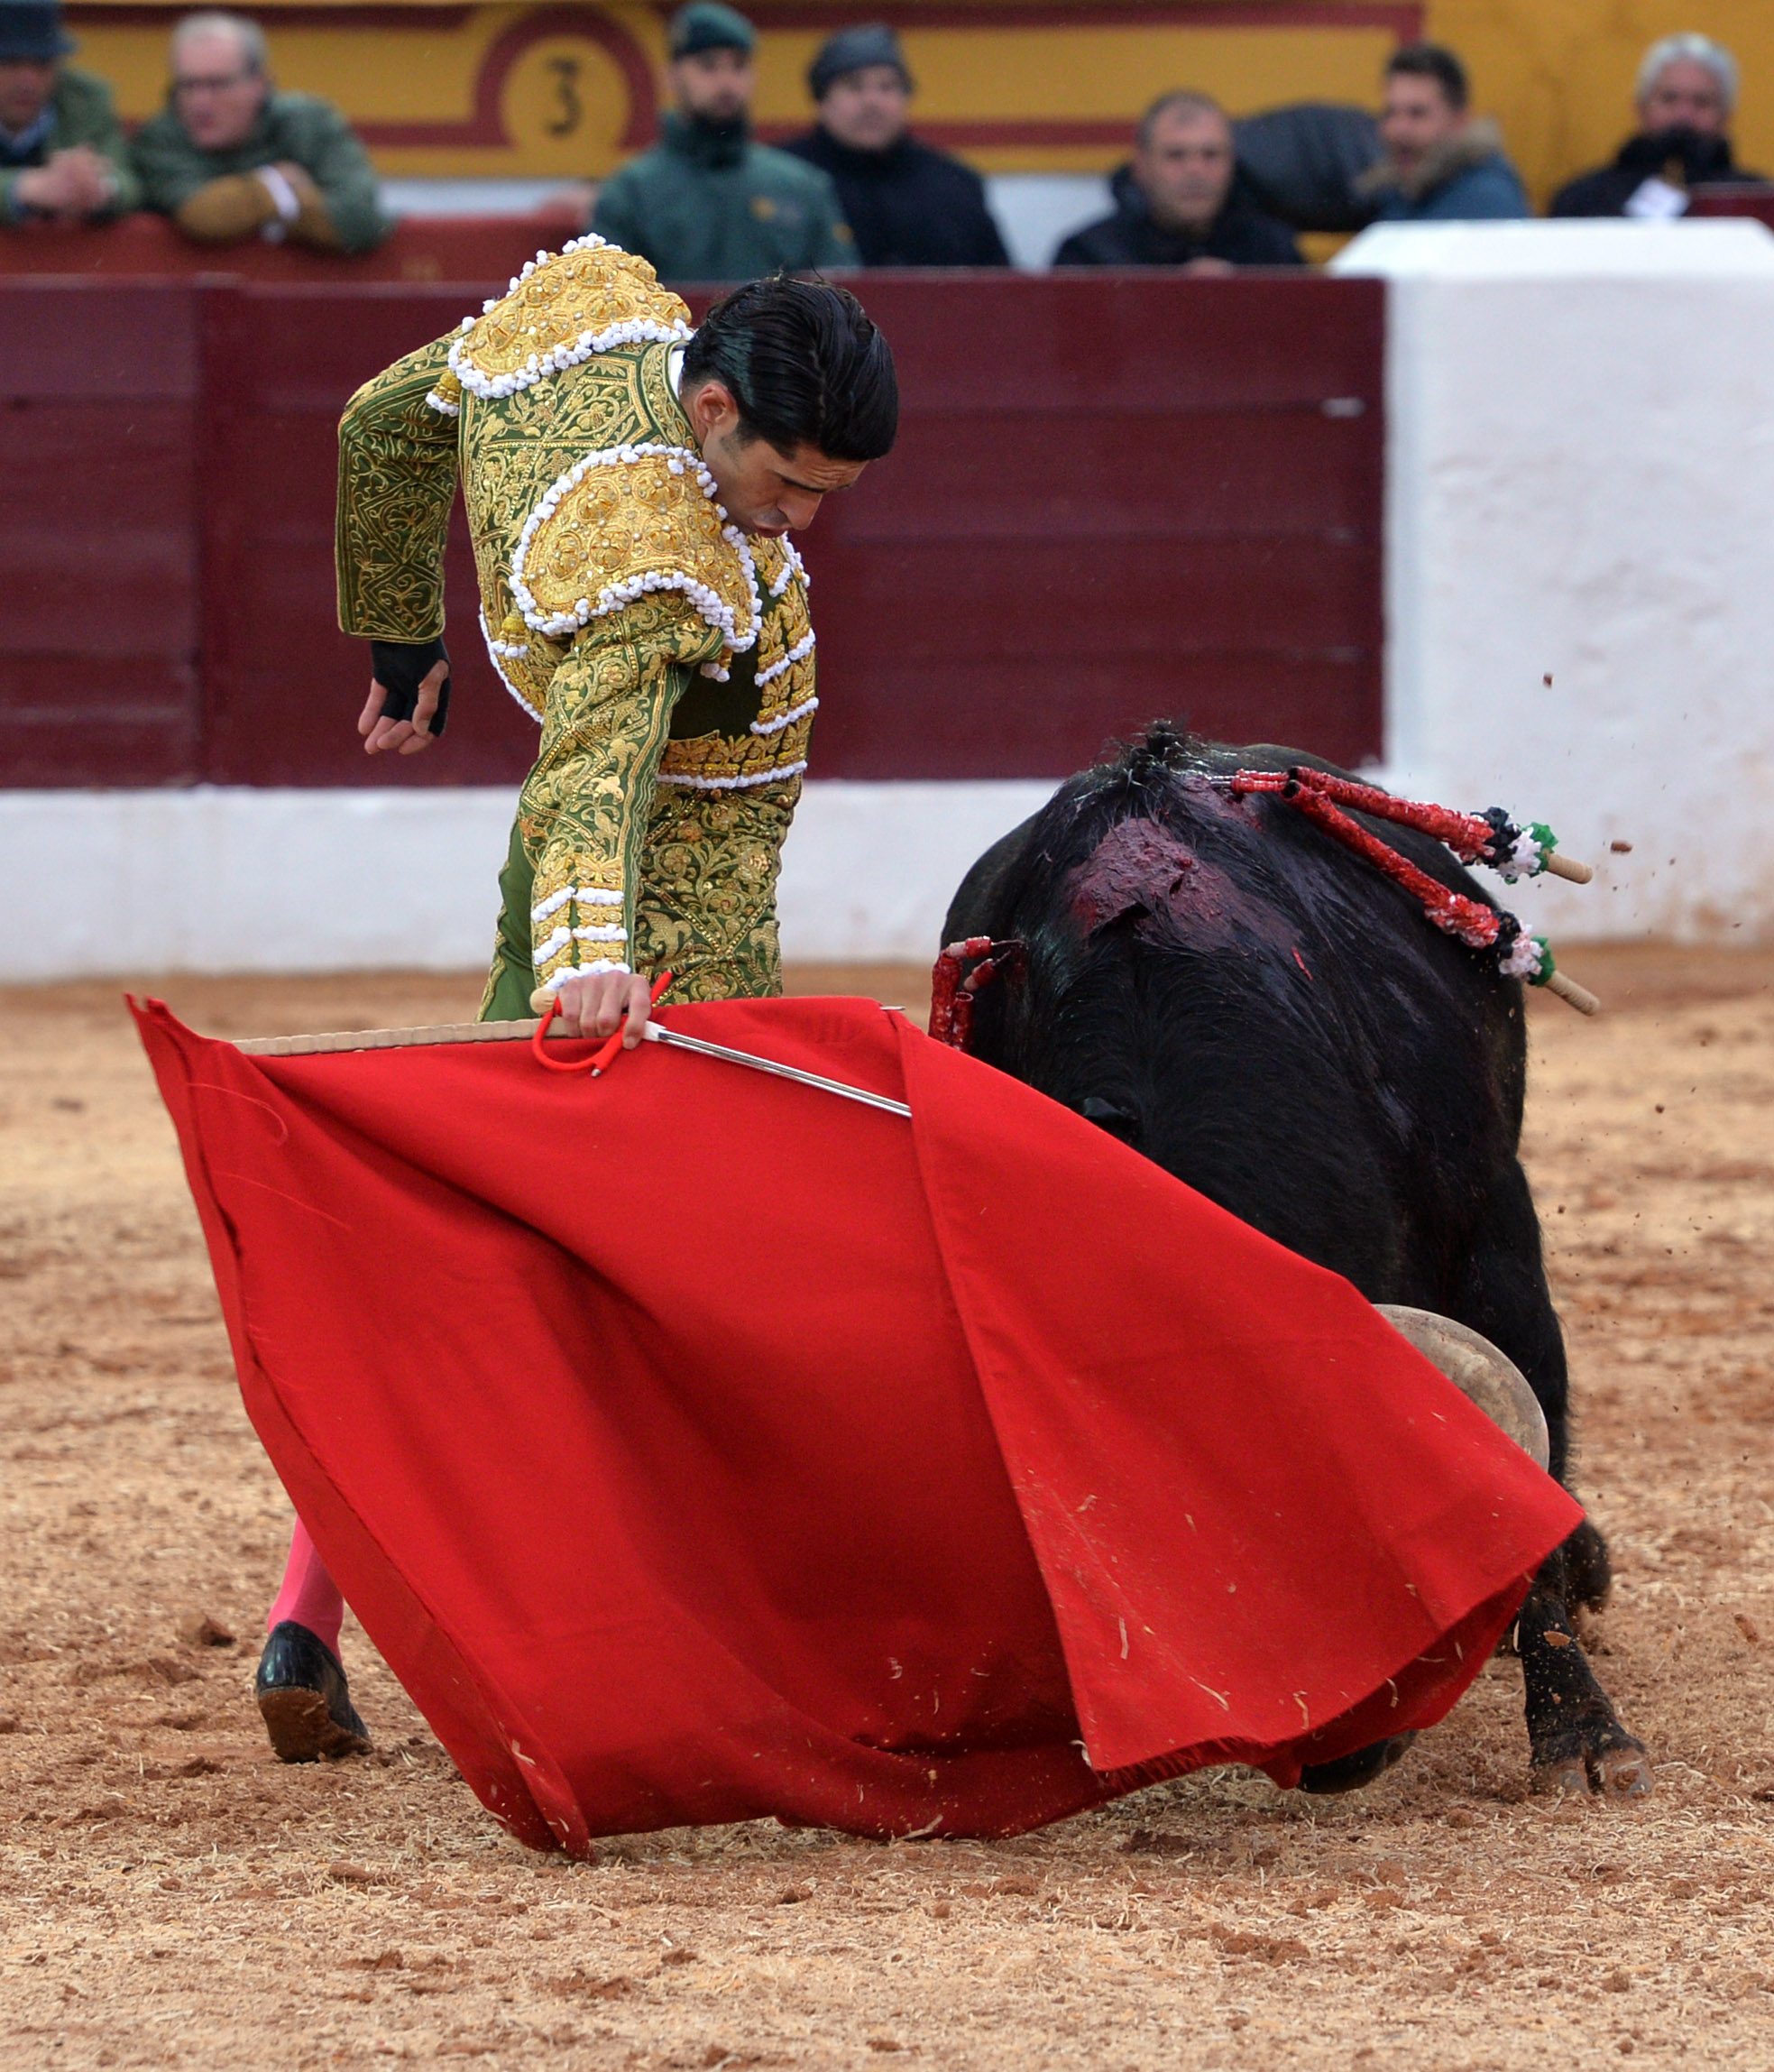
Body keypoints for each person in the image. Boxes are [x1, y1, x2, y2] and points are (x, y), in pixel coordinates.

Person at [250, 248, 898, 1758]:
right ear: (718, 407)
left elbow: (381, 422)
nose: (796, 523)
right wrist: (597, 953)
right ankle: (676, 1649)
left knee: (469, 1255)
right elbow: (598, 767)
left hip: (545, 878)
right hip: (669, 933)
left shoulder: (592, 330)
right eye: (788, 484)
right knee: (678, 1303)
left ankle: (303, 1614)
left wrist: (401, 640)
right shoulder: (655, 554)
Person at [592, 1, 851, 282]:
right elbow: (608, 303)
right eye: (708, 66)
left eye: (738, 66)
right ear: (672, 76)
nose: (726, 82)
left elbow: (839, 295)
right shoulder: (631, 193)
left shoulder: (802, 187)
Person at [131, 10, 389, 252]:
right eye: (188, 86)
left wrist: (256, 205)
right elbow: (203, 217)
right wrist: (277, 186)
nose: (200, 103)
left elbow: (361, 219)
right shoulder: (161, 138)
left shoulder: (308, 122)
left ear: (260, 84)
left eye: (218, 84)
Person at [780, 23, 1007, 268]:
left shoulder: (956, 184)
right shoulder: (782, 181)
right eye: (854, 86)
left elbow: (1000, 289)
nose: (872, 101)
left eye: (887, 87)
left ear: (906, 99)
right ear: (822, 101)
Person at [1052, 91, 1301, 271]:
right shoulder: (1090, 258)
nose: (1195, 170)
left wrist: (1246, 297)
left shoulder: (1272, 251)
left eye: (1211, 155)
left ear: (1232, 163)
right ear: (1141, 166)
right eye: (1176, 155)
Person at [1550, 34, 1763, 218]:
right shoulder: (1585, 199)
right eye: (1669, 99)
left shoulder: (1757, 202)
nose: (1684, 114)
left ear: (1726, 115)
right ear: (1641, 107)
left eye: (1701, 102)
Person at [1354, 42, 1529, 222]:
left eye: (1417, 113)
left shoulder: (1488, 202)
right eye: (1390, 113)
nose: (1399, 129)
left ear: (1459, 121)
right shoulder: (1391, 193)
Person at [0, 0, 138, 226]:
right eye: (11, 62)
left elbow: (127, 181)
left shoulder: (86, 98)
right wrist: (23, 187)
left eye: (41, 64)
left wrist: (98, 185)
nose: (28, 80)